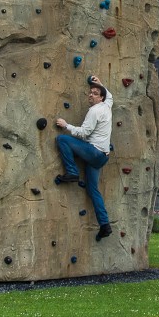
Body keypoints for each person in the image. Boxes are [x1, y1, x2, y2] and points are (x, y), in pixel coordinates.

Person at [54, 74, 113, 241]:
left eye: (95, 93)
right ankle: (105, 225)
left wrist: (66, 125)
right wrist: (100, 84)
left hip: (94, 152)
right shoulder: (107, 105)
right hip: (102, 157)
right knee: (93, 190)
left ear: (100, 98)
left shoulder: (94, 111)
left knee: (62, 139)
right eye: (90, 92)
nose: (91, 95)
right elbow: (110, 96)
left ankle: (72, 172)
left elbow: (84, 133)